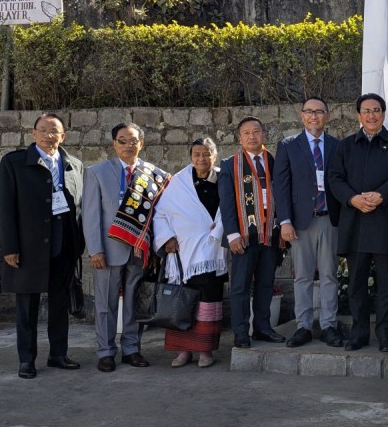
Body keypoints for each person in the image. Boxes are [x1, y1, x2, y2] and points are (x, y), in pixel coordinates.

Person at [0, 114, 82, 379]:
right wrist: (10, 247)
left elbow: (79, 207)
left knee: (59, 304)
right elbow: (6, 208)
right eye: (43, 131)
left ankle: (58, 354)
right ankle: (26, 360)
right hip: (28, 246)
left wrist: (78, 245)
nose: (49, 136)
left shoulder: (73, 165)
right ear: (33, 134)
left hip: (63, 245)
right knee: (27, 306)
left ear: (63, 136)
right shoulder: (14, 163)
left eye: (54, 131)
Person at [84, 123, 169, 372]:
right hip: (108, 251)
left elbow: (161, 214)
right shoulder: (97, 172)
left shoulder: (153, 174)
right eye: (122, 141)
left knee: (135, 302)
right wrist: (95, 250)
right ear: (114, 143)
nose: (128, 146)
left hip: (139, 250)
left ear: (141, 144)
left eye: (133, 141)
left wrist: (156, 248)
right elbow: (90, 215)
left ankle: (132, 348)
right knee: (106, 303)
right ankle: (106, 351)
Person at [329, 93, 388, 352]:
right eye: (366, 111)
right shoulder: (345, 146)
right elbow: (334, 179)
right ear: (358, 116)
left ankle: (385, 336)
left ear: (384, 114)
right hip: (355, 223)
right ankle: (359, 333)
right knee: (356, 285)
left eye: (376, 110)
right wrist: (352, 199)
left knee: (387, 285)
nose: (371, 115)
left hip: (385, 222)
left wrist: (382, 195)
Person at [273, 97, 343, 349]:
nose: (314, 117)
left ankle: (328, 326)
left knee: (329, 275)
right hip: (300, 222)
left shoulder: (337, 146)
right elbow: (280, 187)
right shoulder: (288, 145)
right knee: (302, 276)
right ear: (301, 116)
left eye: (319, 112)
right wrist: (285, 221)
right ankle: (303, 326)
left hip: (329, 220)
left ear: (327, 116)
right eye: (309, 112)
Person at [153, 139, 228, 368]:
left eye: (206, 154)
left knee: (208, 302)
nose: (201, 159)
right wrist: (167, 239)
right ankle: (183, 351)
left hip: (211, 251)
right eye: (197, 154)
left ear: (214, 156)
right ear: (190, 157)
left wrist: (219, 229)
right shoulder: (179, 183)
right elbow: (161, 213)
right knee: (181, 301)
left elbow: (230, 208)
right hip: (182, 253)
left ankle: (205, 351)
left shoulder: (223, 180)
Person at [219, 116, 286, 348]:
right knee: (240, 286)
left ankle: (263, 328)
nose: (251, 136)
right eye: (246, 133)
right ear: (239, 138)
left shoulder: (275, 161)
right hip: (243, 236)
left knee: (266, 283)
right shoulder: (230, 165)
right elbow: (226, 203)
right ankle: (240, 331)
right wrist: (232, 234)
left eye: (256, 131)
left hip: (270, 233)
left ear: (264, 135)